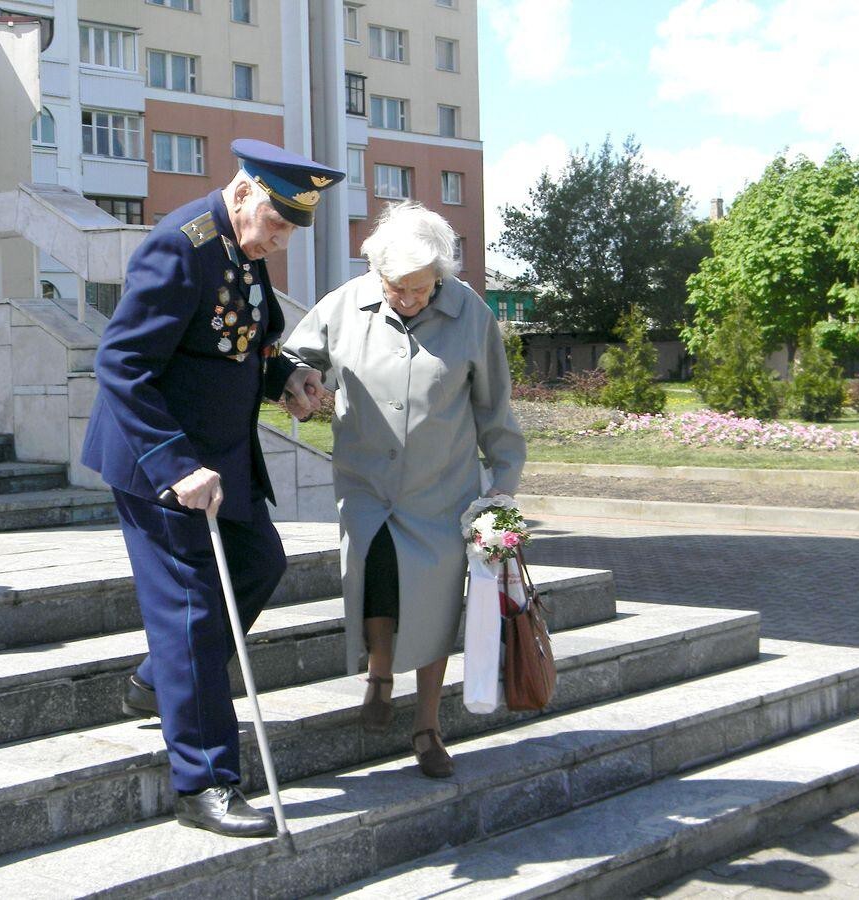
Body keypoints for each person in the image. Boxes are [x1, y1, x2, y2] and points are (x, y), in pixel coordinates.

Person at [80, 139, 343, 837]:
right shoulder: (182, 247)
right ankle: (205, 783)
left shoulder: (244, 254)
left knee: (261, 564)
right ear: (243, 191)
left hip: (223, 459)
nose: (280, 241)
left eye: (292, 229)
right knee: (195, 613)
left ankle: (156, 681)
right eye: (277, 223)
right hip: (162, 467)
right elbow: (122, 363)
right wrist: (174, 465)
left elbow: (235, 345)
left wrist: (285, 376)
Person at [282, 201, 525, 778]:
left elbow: (496, 416)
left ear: (442, 274)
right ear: (377, 273)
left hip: (445, 493)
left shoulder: (472, 314)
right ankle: (380, 677)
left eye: (421, 288)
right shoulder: (344, 303)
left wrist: (503, 506)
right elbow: (296, 360)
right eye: (397, 288)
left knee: (437, 608)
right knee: (378, 585)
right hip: (368, 486)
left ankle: (428, 726)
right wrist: (299, 386)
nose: (409, 298)